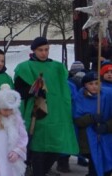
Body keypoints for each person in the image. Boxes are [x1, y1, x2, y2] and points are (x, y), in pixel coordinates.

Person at [14, 36, 79, 176]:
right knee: (38, 148)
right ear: (33, 50)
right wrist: (34, 91)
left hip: (56, 114)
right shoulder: (24, 68)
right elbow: (19, 92)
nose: (44, 53)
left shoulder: (57, 67)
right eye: (40, 50)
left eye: (46, 50)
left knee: (55, 147)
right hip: (36, 114)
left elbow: (63, 90)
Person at [73, 71, 112, 176]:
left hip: (106, 136)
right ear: (85, 85)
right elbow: (77, 120)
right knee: (94, 165)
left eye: (97, 83)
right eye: (90, 84)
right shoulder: (80, 98)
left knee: (106, 166)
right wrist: (91, 118)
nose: (94, 86)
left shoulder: (108, 95)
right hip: (88, 140)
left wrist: (107, 126)